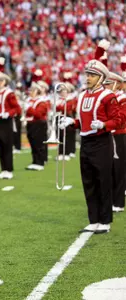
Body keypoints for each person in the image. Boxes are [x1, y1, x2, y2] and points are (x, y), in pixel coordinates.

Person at [59, 40, 123, 234]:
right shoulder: (83, 95)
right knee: (89, 182)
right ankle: (93, 219)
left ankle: (105, 221)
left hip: (102, 142)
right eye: (87, 74)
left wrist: (104, 125)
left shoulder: (107, 96)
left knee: (103, 181)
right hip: (86, 142)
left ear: (101, 78)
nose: (87, 77)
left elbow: (118, 119)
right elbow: (83, 121)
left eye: (92, 75)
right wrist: (72, 123)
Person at [0, 57, 21, 179]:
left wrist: (8, 113)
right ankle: (3, 169)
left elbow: (17, 109)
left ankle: (9, 169)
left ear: (4, 82)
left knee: (7, 145)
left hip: (6, 122)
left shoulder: (9, 93)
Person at [104, 71, 126, 213]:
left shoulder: (123, 98)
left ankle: (118, 203)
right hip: (109, 135)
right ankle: (111, 199)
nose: (105, 87)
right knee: (110, 169)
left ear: (116, 85)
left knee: (119, 169)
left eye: (108, 84)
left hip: (120, 135)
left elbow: (121, 118)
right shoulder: (107, 98)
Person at [25, 82, 49, 171]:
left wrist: (29, 108)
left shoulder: (42, 102)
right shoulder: (29, 100)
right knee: (32, 143)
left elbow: (38, 114)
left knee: (39, 143)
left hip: (39, 124)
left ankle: (40, 162)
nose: (30, 92)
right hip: (30, 124)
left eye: (32, 90)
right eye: (30, 90)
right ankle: (35, 161)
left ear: (37, 91)